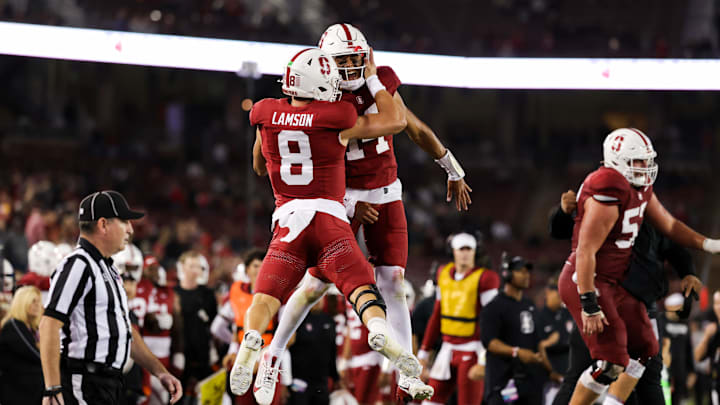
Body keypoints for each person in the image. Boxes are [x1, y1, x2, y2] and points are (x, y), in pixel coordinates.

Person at [229, 47, 431, 403]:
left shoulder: (265, 112)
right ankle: (378, 328)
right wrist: (371, 76)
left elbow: (259, 166)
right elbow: (395, 121)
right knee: (361, 287)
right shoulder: (337, 115)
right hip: (328, 219)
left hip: (288, 223)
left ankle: (253, 338)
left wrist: (269, 132)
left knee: (267, 296)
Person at [321, 22, 472, 398]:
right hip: (337, 196)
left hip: (384, 190)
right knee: (312, 285)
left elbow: (412, 126)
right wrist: (351, 203)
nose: (354, 68)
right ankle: (271, 352)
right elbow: (317, 163)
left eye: (358, 59)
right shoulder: (319, 94)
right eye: (344, 61)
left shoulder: (381, 82)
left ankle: (405, 368)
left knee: (393, 282)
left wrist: (451, 165)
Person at [556, 128, 717, 405]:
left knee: (646, 350)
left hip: (612, 283)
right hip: (586, 279)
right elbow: (585, 252)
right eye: (638, 161)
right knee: (612, 362)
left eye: (647, 160)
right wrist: (589, 303)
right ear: (617, 160)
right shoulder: (607, 187)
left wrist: (709, 245)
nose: (645, 167)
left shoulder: (638, 188)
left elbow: (669, 225)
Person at [549, 184, 702, 405]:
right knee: (585, 373)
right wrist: (563, 212)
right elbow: (561, 231)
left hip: (640, 311)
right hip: (600, 307)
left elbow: (673, 247)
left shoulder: (648, 223)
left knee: (646, 378)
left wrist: (688, 271)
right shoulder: (600, 215)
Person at [39, 190, 182, 405]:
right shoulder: (78, 264)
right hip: (84, 381)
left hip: (106, 384)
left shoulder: (109, 269)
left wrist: (160, 372)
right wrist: (52, 388)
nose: (130, 229)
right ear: (103, 224)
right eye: (125, 221)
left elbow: (126, 334)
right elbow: (49, 324)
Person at [417, 233, 499, 404]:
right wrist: (424, 352)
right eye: (461, 249)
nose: (465, 253)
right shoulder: (444, 274)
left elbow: (492, 321)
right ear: (453, 251)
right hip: (448, 348)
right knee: (430, 401)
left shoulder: (485, 278)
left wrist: (485, 359)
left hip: (473, 349)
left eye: (469, 249)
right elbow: (437, 315)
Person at [481, 256, 561, 405]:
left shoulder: (528, 304)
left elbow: (537, 342)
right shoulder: (493, 307)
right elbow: (490, 342)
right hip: (503, 381)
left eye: (527, 272)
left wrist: (551, 371)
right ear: (507, 274)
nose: (526, 275)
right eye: (521, 272)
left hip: (530, 382)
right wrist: (516, 352)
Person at [129, 254, 183, 405]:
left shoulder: (169, 292)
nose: (154, 272)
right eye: (150, 269)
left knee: (162, 397)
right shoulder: (133, 287)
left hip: (160, 355)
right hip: (139, 351)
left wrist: (179, 352)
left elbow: (178, 325)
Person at [174, 250, 217, 400]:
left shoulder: (208, 295)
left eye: (198, 266)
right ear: (182, 267)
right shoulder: (174, 293)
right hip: (179, 352)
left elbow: (214, 323)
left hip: (202, 354)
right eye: (191, 265)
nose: (195, 270)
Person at [286, 298, 339, 405]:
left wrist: (335, 377)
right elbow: (286, 351)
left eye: (321, 298)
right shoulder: (297, 320)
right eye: (316, 298)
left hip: (321, 381)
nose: (318, 301)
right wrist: (286, 382)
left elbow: (332, 351)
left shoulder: (329, 321)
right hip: (299, 380)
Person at [0, 285, 44, 404]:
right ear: (22, 303)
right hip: (18, 393)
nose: (37, 305)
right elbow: (36, 355)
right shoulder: (14, 325)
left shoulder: (31, 328)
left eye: (39, 302)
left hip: (29, 391)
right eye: (33, 301)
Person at [536, 277, 573, 405]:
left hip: (570, 376)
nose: (560, 299)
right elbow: (539, 348)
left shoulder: (567, 314)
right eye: (558, 295)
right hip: (550, 380)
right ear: (548, 293)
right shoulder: (539, 317)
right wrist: (551, 372)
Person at [694, 291, 720, 405]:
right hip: (715, 387)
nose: (719, 307)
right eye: (717, 303)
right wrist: (706, 337)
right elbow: (698, 357)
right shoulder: (714, 330)